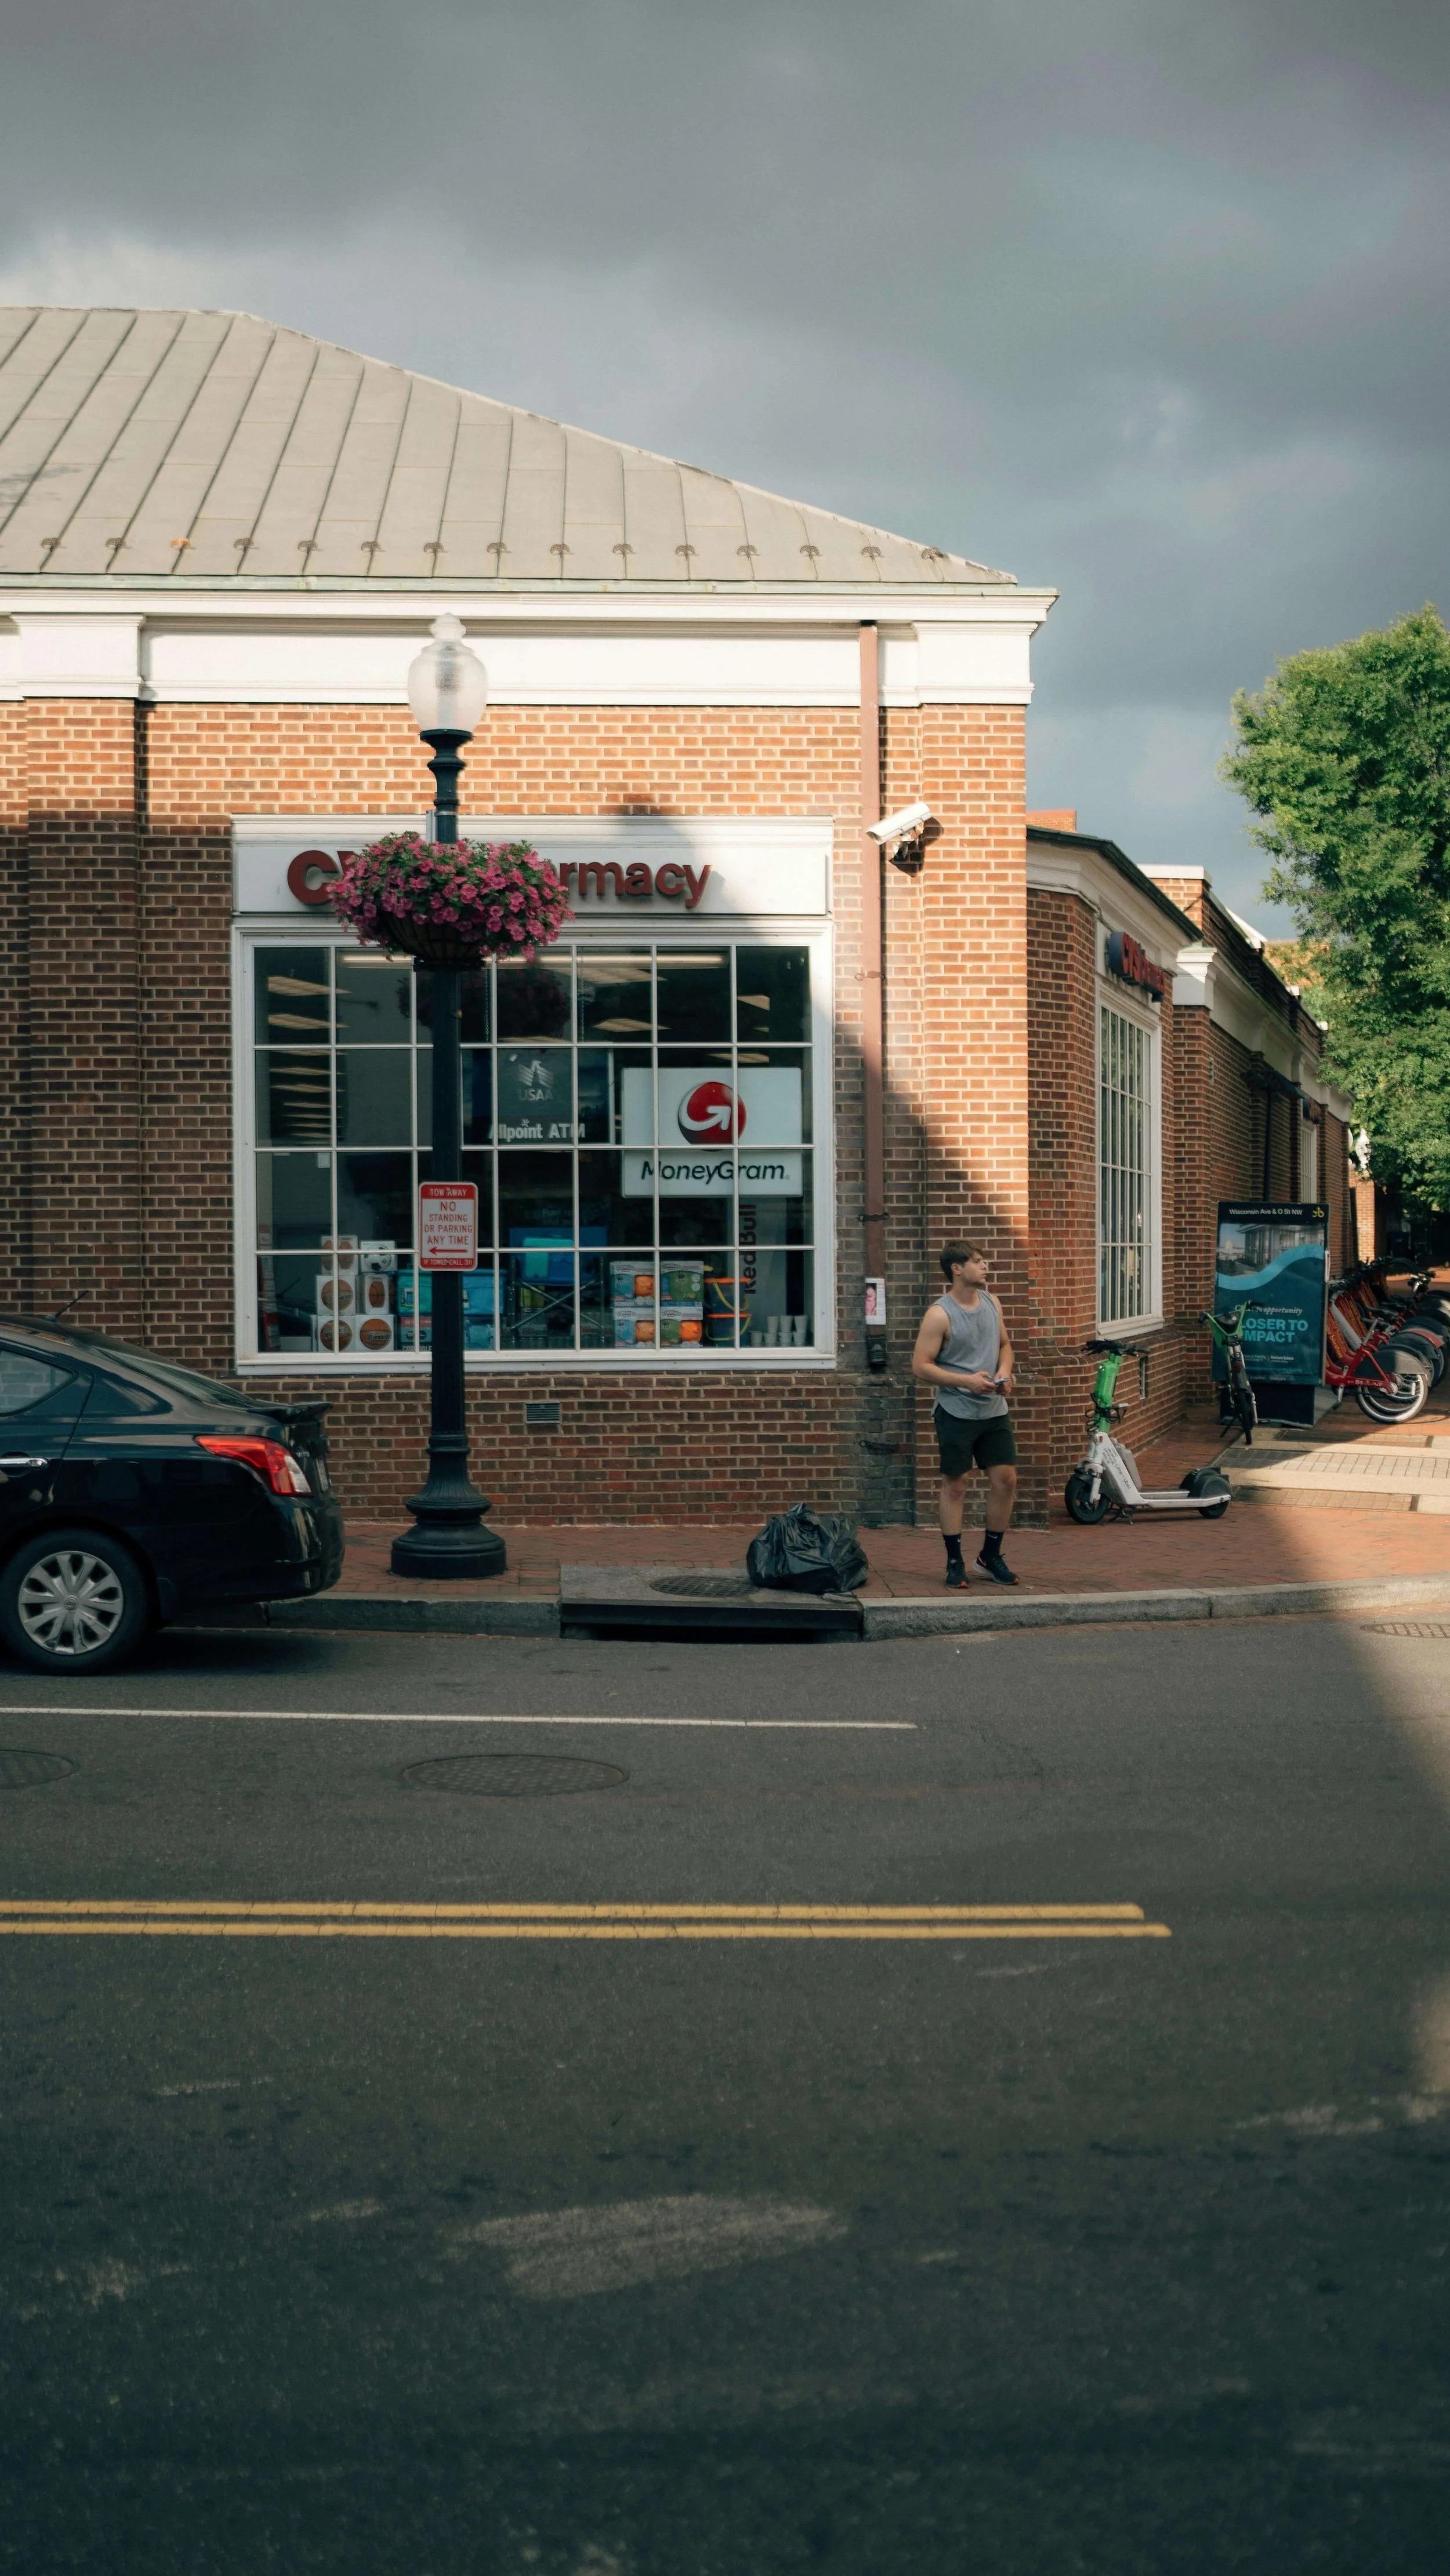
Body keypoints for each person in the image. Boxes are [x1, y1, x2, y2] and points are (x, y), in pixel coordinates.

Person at [911, 1242, 1018, 1587]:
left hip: (993, 1410)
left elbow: (1004, 1346)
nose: (985, 1266)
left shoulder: (992, 1302)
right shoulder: (939, 1314)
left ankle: (989, 1557)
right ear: (957, 1269)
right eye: (977, 1262)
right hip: (955, 1411)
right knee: (956, 1484)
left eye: (984, 1260)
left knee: (1006, 1480)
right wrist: (966, 1382)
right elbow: (920, 1366)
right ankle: (954, 1562)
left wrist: (1005, 1373)